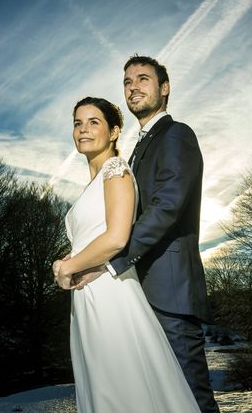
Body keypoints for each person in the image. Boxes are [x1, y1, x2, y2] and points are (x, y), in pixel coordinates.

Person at [74, 56, 220, 412]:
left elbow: (168, 206)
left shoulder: (175, 134)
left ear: (165, 88)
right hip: (137, 293)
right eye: (127, 82)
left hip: (169, 291)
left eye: (143, 79)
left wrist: (114, 260)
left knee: (191, 400)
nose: (133, 87)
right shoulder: (139, 147)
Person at [52, 97, 200, 413]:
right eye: (78, 123)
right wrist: (74, 258)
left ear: (115, 131)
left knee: (124, 391)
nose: (83, 129)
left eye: (94, 122)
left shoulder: (116, 170)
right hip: (88, 297)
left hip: (110, 292)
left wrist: (68, 267)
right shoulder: (94, 183)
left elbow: (117, 238)